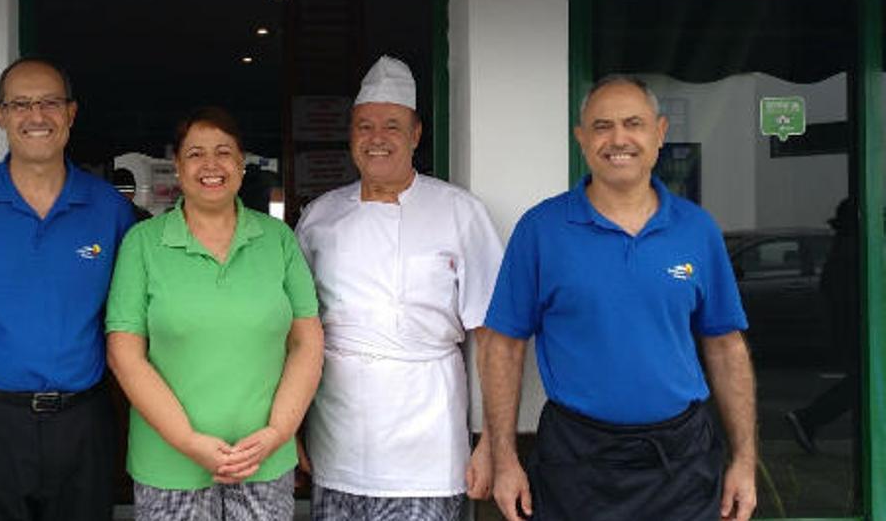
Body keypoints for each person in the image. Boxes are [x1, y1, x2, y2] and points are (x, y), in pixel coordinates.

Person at [481, 75, 757, 520]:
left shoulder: (696, 229)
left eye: (633, 123)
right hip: (577, 462)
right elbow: (503, 347)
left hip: (682, 463)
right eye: (602, 126)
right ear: (581, 139)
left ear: (660, 132)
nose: (618, 139)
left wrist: (744, 461)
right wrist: (504, 457)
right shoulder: (542, 229)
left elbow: (726, 349)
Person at [0, 57, 135, 521]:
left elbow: (132, 326)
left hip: (84, 422)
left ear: (71, 112)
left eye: (49, 103)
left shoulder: (108, 210)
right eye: (20, 104)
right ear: (0, 115)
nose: (36, 116)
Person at [294, 55, 502, 520]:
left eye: (391, 125)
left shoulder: (459, 212)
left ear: (416, 134)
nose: (376, 139)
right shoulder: (319, 218)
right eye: (364, 126)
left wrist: (493, 442)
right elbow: (294, 332)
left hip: (427, 451)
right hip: (337, 444)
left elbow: (492, 338)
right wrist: (289, 428)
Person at [105, 107, 324, 521]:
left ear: (242, 164)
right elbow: (124, 355)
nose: (211, 165)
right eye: (195, 154)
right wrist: (189, 441)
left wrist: (279, 432)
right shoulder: (143, 244)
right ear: (177, 166)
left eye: (223, 152)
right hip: (169, 464)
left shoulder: (277, 239)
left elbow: (307, 342)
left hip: (263, 459)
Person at [786, 198, 860, 453]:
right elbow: (849, 299)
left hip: (849, 331)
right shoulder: (853, 252)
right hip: (856, 332)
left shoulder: (844, 250)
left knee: (860, 385)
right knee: (860, 385)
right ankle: (809, 418)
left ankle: (810, 419)